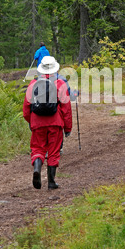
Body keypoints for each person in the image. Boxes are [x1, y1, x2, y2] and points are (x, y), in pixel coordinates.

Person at [23, 56, 72, 190]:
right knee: (54, 151)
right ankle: (51, 182)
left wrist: (31, 122)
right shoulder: (60, 84)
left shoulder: (33, 84)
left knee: (38, 149)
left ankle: (37, 169)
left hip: (37, 123)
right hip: (55, 122)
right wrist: (68, 128)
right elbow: (66, 108)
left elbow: (26, 107)